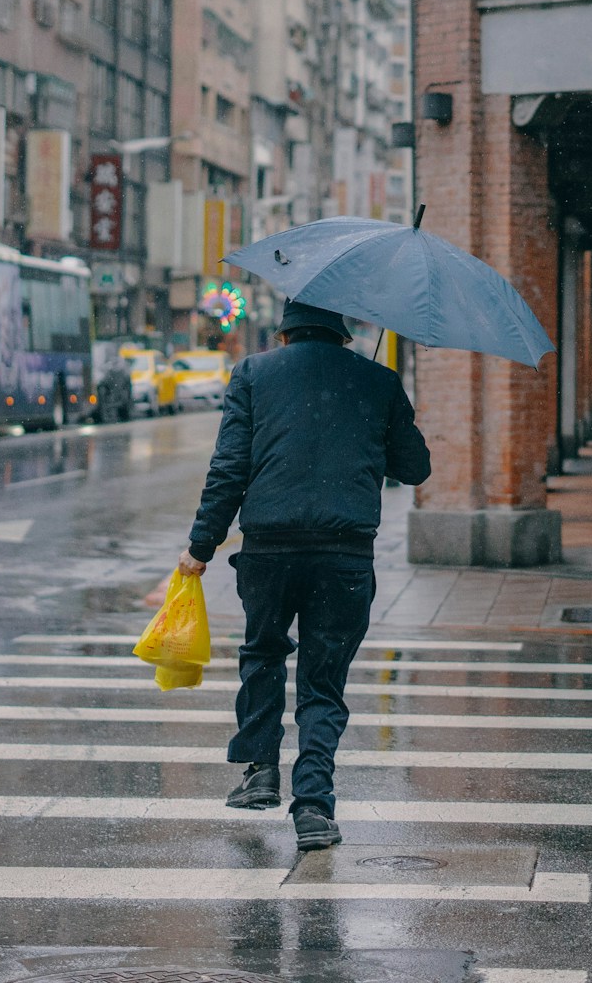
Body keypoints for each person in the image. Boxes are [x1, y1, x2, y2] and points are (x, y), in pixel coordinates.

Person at [179, 299, 431, 851]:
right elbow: (414, 468)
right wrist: (379, 417)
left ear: (283, 334)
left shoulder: (253, 373)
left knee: (264, 652)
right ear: (343, 334)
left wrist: (202, 545)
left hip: (269, 550)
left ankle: (260, 771)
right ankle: (314, 806)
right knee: (323, 680)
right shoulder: (377, 380)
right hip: (344, 555)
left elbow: (229, 468)